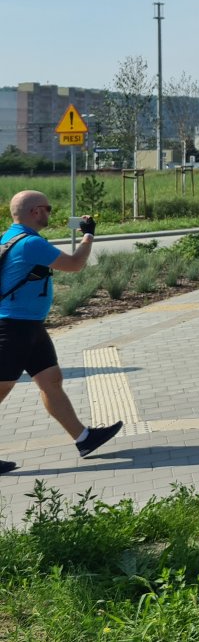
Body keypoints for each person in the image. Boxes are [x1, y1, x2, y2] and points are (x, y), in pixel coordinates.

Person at [0, 191, 122, 473]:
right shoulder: (29, 242)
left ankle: (84, 439)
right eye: (48, 208)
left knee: (51, 381)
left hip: (28, 326)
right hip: (13, 327)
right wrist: (88, 236)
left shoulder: (8, 237)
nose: (50, 214)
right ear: (34, 212)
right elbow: (75, 265)